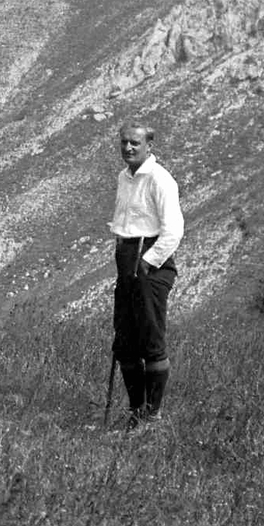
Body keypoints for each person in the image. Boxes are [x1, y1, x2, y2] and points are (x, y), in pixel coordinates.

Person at [109, 122, 184, 426]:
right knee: (125, 343)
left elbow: (174, 230)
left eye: (135, 144)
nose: (128, 148)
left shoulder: (160, 179)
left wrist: (148, 262)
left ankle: (152, 417)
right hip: (127, 259)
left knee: (151, 340)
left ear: (149, 146)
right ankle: (136, 411)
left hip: (150, 261)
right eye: (124, 143)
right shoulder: (123, 178)